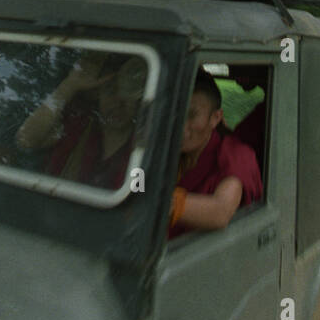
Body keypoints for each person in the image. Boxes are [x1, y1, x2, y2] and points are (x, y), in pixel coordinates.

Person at [16, 53, 147, 189]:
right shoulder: (77, 126)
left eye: (128, 93)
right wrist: (70, 85)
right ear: (97, 95)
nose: (118, 103)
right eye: (110, 90)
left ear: (139, 98)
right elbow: (26, 140)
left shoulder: (146, 143)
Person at [169, 71, 262, 238]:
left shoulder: (236, 154)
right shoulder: (169, 152)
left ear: (215, 117)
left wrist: (160, 202)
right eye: (175, 114)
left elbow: (220, 211)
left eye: (191, 115)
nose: (181, 127)